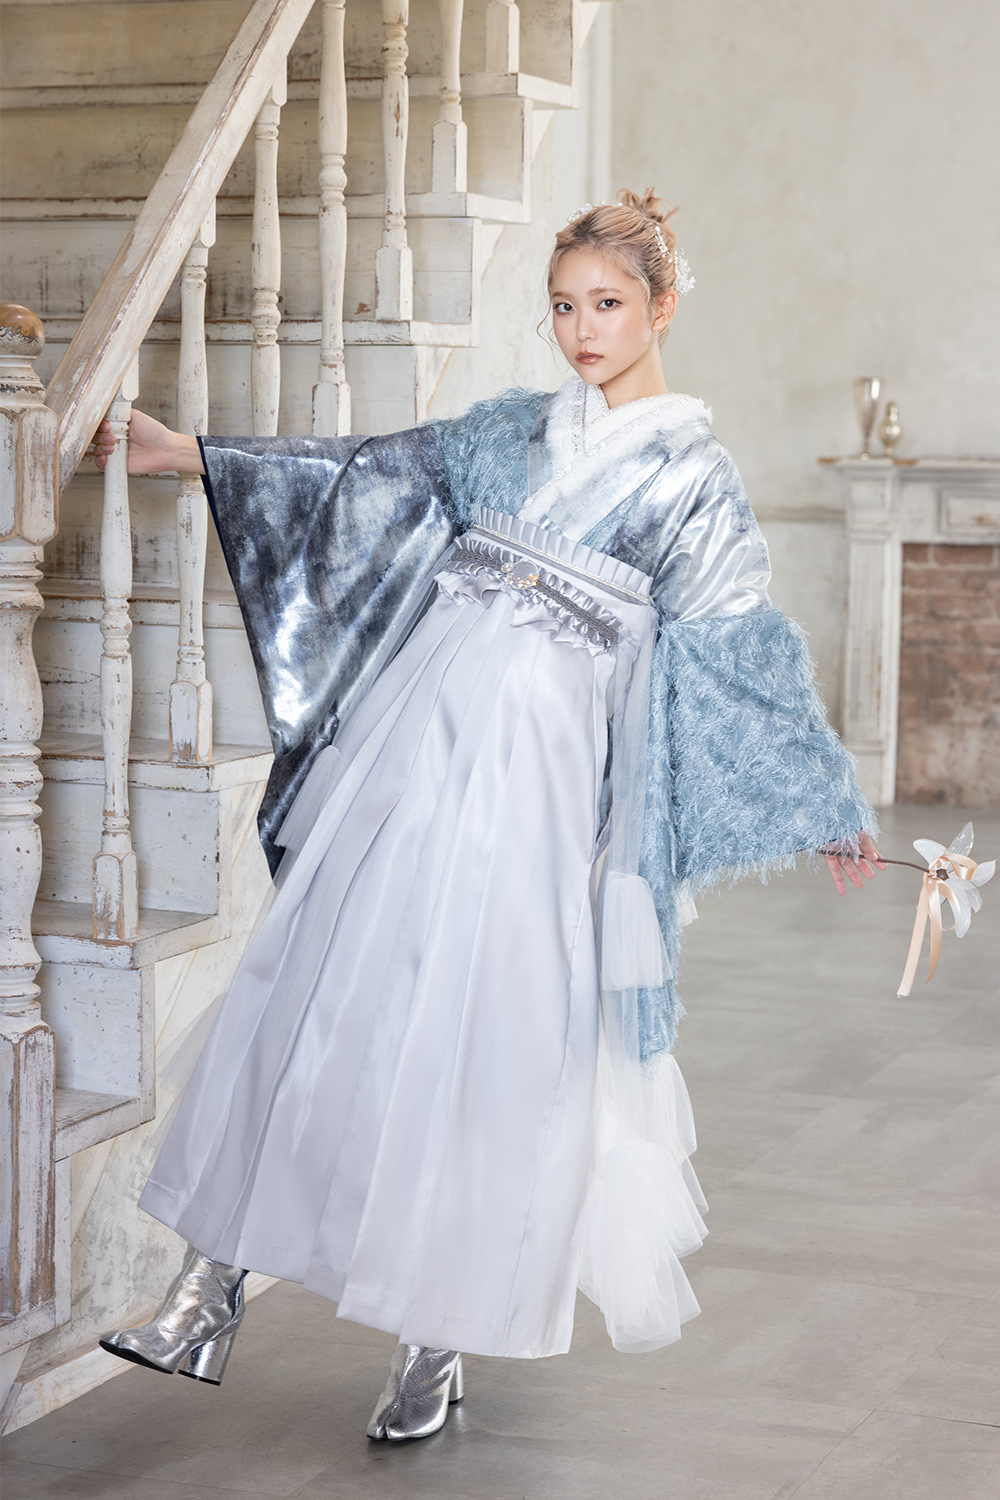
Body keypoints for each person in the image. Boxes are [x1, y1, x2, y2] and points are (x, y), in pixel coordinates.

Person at [96, 190, 884, 1441]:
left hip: (548, 788)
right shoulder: (508, 433)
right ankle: (207, 1289)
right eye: (563, 307)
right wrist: (191, 455)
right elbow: (366, 477)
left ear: (663, 306)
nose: (582, 330)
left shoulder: (694, 477)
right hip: (417, 752)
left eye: (607, 305)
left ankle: (436, 1336)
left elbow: (735, 650)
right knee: (323, 992)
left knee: (490, 1042)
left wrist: (821, 797)